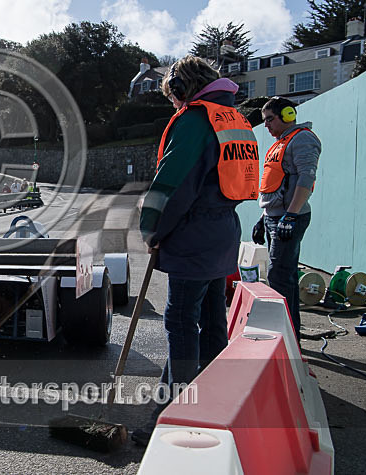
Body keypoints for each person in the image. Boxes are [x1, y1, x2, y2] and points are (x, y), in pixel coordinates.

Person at [133, 55, 259, 446]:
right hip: (223, 234)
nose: (174, 103)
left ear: (184, 89)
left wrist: (151, 230)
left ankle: (174, 413)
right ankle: (214, 400)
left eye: (173, 95)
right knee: (211, 321)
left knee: (181, 323)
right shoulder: (233, 119)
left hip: (194, 235)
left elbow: (172, 184)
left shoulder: (193, 120)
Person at [252, 96, 321, 341]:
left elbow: (306, 179)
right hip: (276, 217)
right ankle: (290, 334)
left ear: (289, 115)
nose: (267, 125)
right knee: (283, 275)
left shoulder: (302, 138)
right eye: (265, 120)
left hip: (288, 218)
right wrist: (264, 217)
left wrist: (291, 215)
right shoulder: (281, 142)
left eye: (270, 119)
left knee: (280, 276)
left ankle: (285, 337)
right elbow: (275, 182)